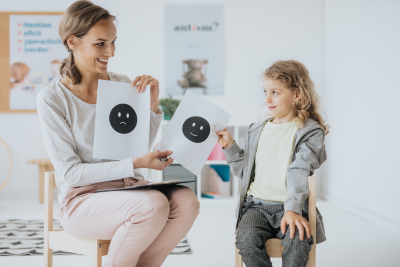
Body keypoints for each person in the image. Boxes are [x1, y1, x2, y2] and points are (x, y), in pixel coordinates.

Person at [36, 1, 199, 266]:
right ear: (72, 43)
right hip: (83, 201)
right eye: (100, 44)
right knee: (154, 205)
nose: (110, 52)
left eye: (113, 42)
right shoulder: (53, 98)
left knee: (187, 201)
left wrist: (152, 106)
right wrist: (136, 164)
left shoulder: (123, 84)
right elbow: (70, 174)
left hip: (130, 188)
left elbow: (136, 148)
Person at [216, 60, 329, 267]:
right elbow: (245, 173)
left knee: (299, 241)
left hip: (291, 208)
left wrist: (293, 210)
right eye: (265, 92)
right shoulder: (256, 129)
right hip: (255, 207)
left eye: (275, 92)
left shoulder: (310, 131)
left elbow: (300, 169)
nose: (267, 99)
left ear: (297, 94)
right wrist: (230, 147)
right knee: (246, 240)